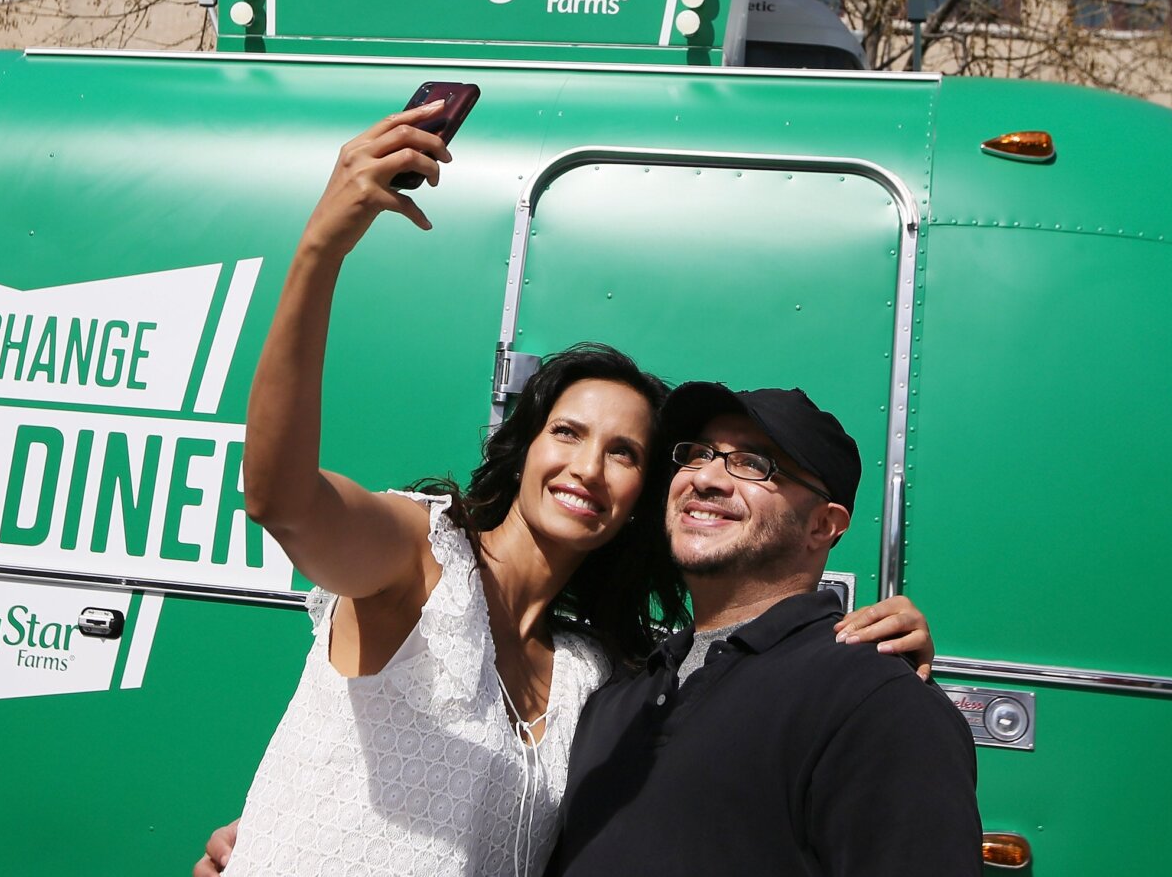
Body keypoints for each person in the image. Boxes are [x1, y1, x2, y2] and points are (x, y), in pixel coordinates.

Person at [210, 102, 937, 877]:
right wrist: (323, 245)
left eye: (625, 452)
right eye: (567, 432)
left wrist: (890, 649)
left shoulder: (598, 671)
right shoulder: (418, 563)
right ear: (523, 450)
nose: (588, 467)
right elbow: (281, 499)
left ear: (641, 497)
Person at [542, 381, 982, 877]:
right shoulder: (622, 685)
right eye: (698, 454)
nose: (707, 477)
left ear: (823, 525)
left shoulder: (877, 702)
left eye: (754, 463)